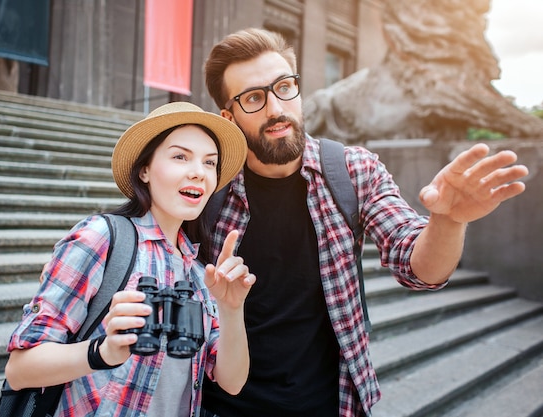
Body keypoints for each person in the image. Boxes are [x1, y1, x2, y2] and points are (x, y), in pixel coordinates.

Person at [200, 28, 529, 417]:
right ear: (228, 116)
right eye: (254, 98)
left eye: (284, 87)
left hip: (328, 402)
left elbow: (418, 267)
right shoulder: (206, 184)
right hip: (223, 405)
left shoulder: (353, 170)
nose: (276, 109)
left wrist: (447, 221)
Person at [4, 102, 256, 417]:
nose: (198, 172)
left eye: (210, 163)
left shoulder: (199, 272)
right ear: (144, 169)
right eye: (180, 156)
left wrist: (233, 311)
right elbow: (19, 368)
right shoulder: (101, 238)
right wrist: (102, 352)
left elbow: (231, 381)